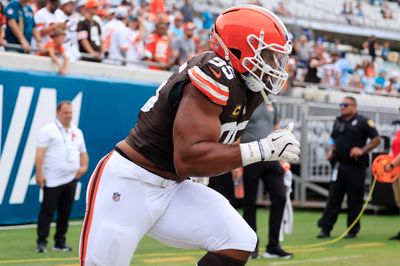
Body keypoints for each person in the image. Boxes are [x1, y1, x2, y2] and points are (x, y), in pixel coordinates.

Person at [79, 5, 300, 266]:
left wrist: (206, 169)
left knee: (238, 240)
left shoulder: (247, 88)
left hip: (175, 186)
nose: (275, 65)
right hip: (131, 182)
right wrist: (263, 150)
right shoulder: (215, 72)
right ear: (241, 49)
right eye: (269, 55)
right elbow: (189, 157)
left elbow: (207, 150)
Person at [233, 102, 293, 259]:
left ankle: (273, 246)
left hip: (271, 156)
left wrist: (282, 156)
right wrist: (236, 164)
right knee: (249, 204)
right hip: (250, 156)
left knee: (280, 198)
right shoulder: (246, 100)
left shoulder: (271, 101)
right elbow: (237, 132)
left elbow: (276, 128)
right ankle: (251, 247)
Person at [317, 96, 380, 239]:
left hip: (355, 166)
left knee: (354, 199)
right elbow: (332, 138)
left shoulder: (364, 122)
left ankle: (352, 230)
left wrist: (362, 150)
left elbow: (376, 139)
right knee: (333, 198)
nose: (342, 107)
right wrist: (331, 149)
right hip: (338, 165)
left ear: (354, 107)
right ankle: (325, 228)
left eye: (345, 104)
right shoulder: (338, 121)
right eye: (341, 104)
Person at [35, 101, 89, 253]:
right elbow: (40, 153)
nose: (69, 115)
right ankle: (41, 242)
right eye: (66, 112)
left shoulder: (77, 131)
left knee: (65, 213)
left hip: (71, 179)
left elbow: (83, 152)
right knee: (47, 212)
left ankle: (60, 242)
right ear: (58, 113)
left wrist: (84, 167)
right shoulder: (48, 130)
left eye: (71, 112)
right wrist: (39, 174)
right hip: (52, 179)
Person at [384, 122, 400, 241]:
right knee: (399, 201)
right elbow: (393, 150)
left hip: (396, 167)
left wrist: (392, 163)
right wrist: (387, 160)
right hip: (396, 171)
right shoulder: (398, 132)